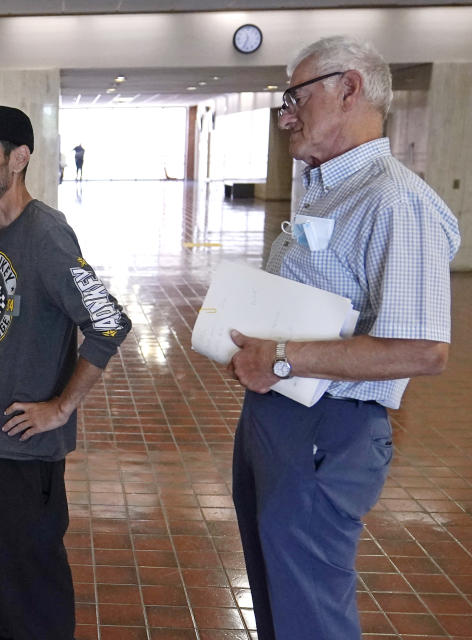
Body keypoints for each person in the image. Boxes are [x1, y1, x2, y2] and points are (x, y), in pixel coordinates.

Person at [227, 36, 460, 640]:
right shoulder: (330, 188)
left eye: (295, 96)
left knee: (310, 610)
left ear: (348, 87)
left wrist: (280, 358)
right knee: (276, 587)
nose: (286, 115)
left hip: (327, 430)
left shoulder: (395, 199)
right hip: (277, 418)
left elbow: (423, 349)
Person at [0, 106, 132, 640]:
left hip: (24, 455)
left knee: (30, 598)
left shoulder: (48, 236)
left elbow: (109, 321)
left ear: (20, 158)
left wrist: (60, 408)